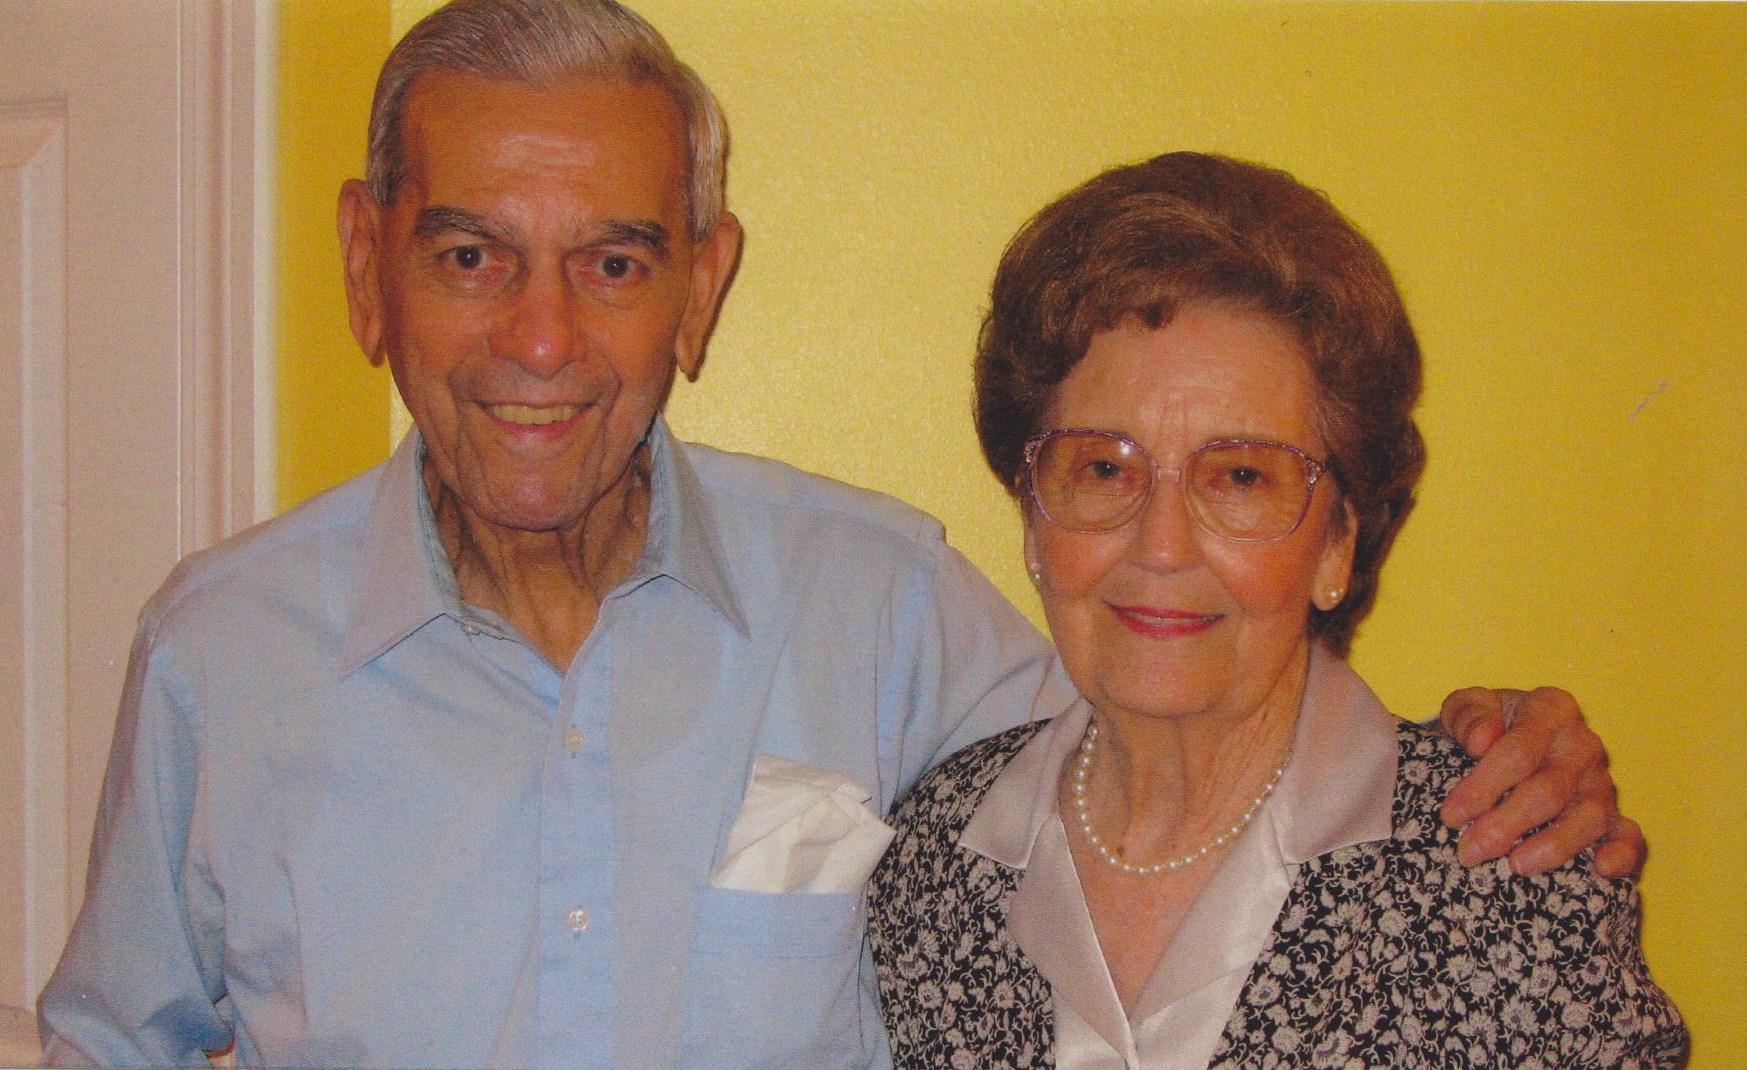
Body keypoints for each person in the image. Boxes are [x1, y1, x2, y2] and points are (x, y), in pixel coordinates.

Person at [38, 3, 1639, 1068]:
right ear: (364, 260)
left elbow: (1179, 716)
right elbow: (113, 1043)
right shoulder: (217, 654)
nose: (539, 339)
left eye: (612, 263)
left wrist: (1496, 748)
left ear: (702, 284)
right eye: (469, 254)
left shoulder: (880, 603)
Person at [867, 151, 1687, 1069]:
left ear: (1337, 541)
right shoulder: (931, 861)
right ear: (1031, 513)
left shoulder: (1510, 878)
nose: (1161, 545)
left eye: (1241, 477)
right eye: (1102, 467)